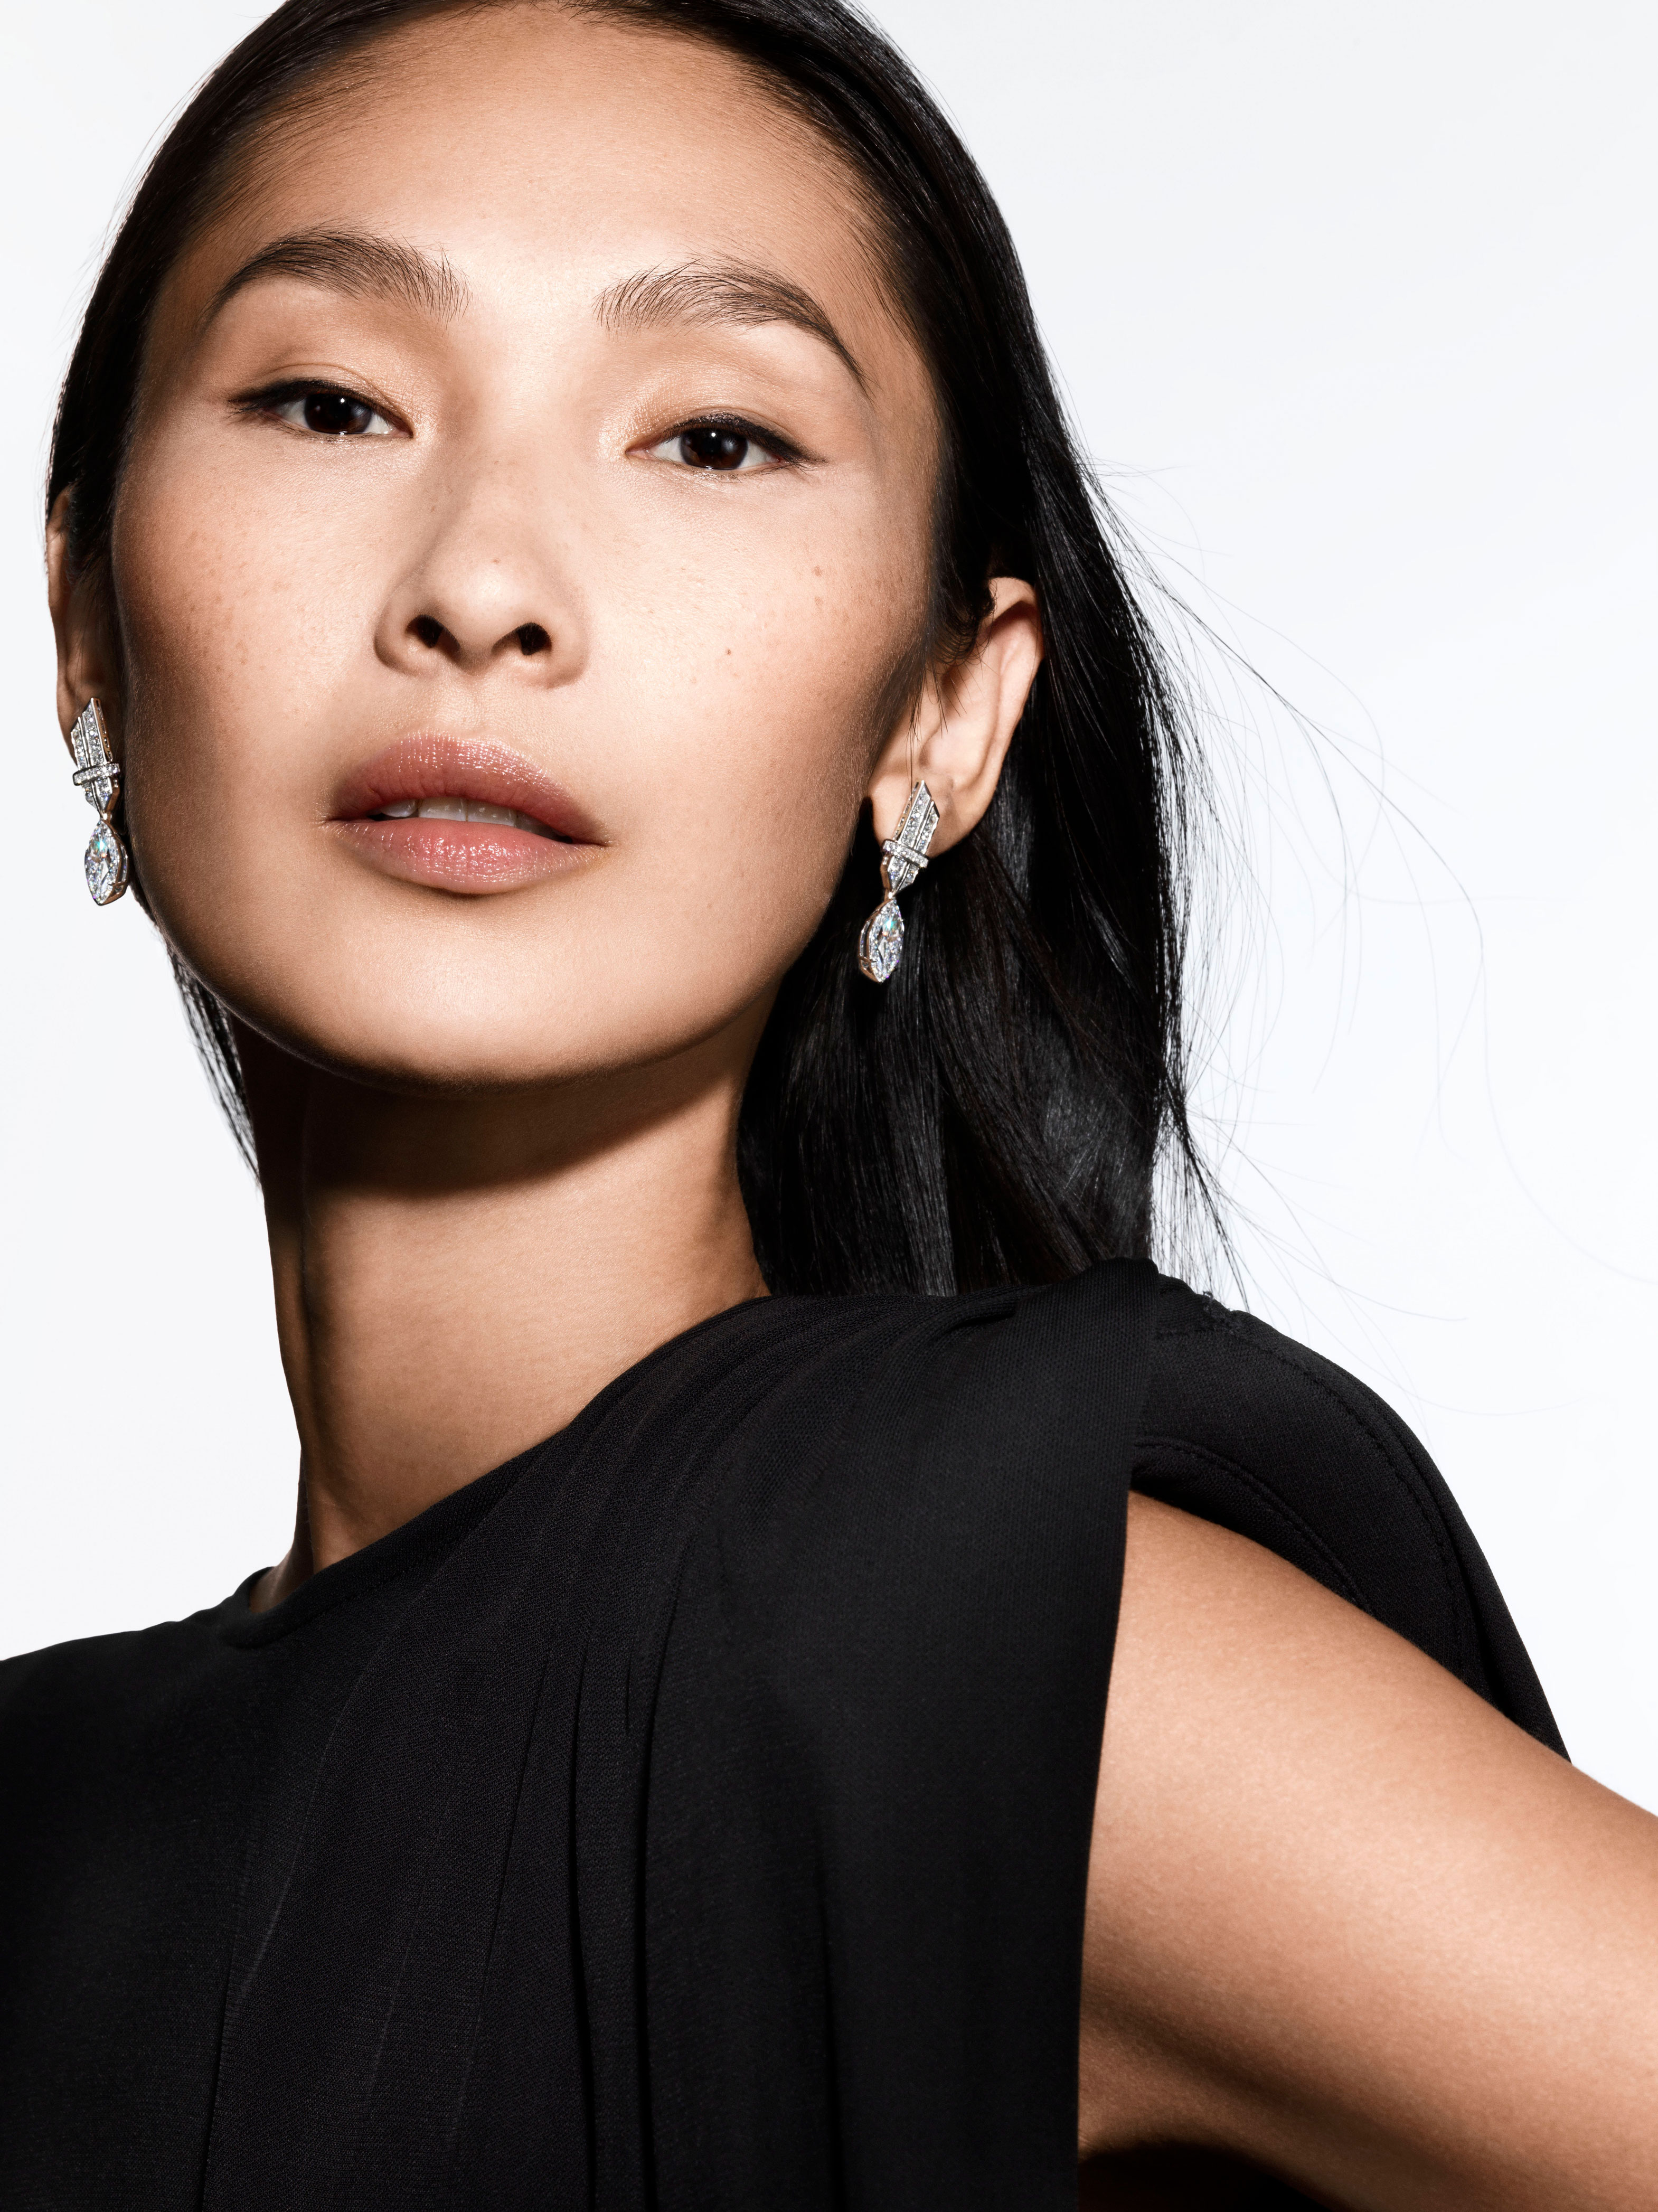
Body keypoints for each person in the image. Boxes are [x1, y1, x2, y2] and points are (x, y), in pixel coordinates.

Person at [4, 2, 1654, 2205]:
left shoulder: (954, 1638)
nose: (481, 589)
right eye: (330, 402)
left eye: (713, 438)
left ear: (940, 724)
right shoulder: (42, 1803)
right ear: (87, 618)